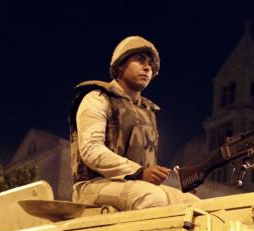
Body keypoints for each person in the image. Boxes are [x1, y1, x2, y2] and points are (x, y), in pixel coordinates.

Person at [69, 36, 199, 211]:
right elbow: (91, 150)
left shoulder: (148, 111)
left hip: (135, 183)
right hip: (91, 186)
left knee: (194, 204)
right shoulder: (97, 98)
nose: (147, 68)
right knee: (151, 197)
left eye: (151, 65)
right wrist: (138, 172)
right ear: (121, 65)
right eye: (139, 60)